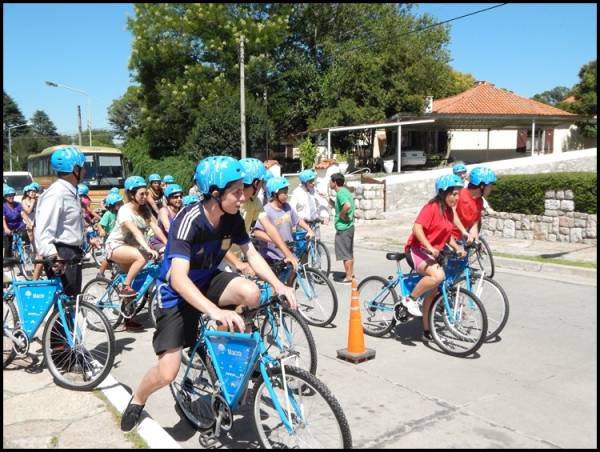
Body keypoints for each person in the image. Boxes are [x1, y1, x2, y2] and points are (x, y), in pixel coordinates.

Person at [120, 155, 296, 433]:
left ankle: (233, 358)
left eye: (243, 190)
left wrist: (279, 284)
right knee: (168, 372)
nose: (243, 197)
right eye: (236, 191)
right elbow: (178, 279)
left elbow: (251, 253)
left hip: (208, 280)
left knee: (251, 292)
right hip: (176, 294)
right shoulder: (188, 221)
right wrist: (214, 311)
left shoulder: (232, 218)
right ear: (215, 193)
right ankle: (138, 399)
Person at [403, 174, 467, 341]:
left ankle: (426, 330)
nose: (456, 197)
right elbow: (417, 228)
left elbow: (447, 235)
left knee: (433, 293)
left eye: (458, 193)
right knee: (438, 276)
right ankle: (410, 300)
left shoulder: (449, 212)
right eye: (453, 193)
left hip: (432, 253)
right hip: (416, 250)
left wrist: (457, 247)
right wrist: (430, 247)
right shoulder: (431, 208)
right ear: (443, 193)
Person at [221, 158, 299, 276]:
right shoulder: (230, 203)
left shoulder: (255, 202)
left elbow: (269, 228)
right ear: (256, 183)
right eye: (262, 183)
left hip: (237, 257)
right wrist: (238, 264)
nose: (263, 187)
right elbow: (220, 243)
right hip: (219, 259)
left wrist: (288, 254)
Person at [34, 146, 87, 296]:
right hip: (61, 253)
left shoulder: (71, 191)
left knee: (72, 301)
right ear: (75, 169)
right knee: (65, 305)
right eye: (82, 168)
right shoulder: (56, 194)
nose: (84, 171)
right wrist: (54, 256)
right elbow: (43, 229)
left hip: (72, 252)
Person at [105, 176, 165, 302]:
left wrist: (168, 243)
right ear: (132, 195)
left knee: (135, 284)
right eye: (141, 194)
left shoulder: (144, 210)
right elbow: (136, 232)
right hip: (115, 246)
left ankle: (128, 318)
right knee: (142, 257)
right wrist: (148, 249)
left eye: (146, 194)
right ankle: (125, 286)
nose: (145, 197)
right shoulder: (124, 210)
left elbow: (156, 228)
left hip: (131, 248)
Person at [252, 176, 311, 278]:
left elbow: (298, 220)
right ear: (274, 194)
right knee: (276, 286)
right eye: (283, 192)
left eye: (287, 191)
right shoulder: (266, 210)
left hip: (288, 252)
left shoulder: (287, 207)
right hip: (272, 256)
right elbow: (257, 232)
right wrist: (275, 241)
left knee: (291, 279)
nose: (286, 195)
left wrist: (309, 230)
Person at [451, 167, 497, 244]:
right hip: (448, 238)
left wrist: (476, 240)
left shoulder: (479, 201)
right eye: (490, 186)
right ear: (482, 186)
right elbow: (451, 214)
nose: (491, 189)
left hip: (462, 238)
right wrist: (463, 231)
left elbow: (474, 223)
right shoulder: (459, 195)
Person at [330, 173, 355, 284]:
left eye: (330, 181)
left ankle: (349, 277)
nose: (329, 183)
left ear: (335, 182)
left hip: (344, 228)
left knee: (345, 253)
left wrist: (341, 215)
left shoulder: (340, 194)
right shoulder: (345, 191)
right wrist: (328, 200)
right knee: (348, 252)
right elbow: (341, 205)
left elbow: (347, 205)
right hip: (349, 226)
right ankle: (349, 274)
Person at [290, 168, 330, 233]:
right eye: (311, 181)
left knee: (316, 242)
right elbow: (292, 209)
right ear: (304, 182)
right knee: (305, 242)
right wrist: (296, 222)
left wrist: (325, 216)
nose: (313, 183)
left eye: (313, 180)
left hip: (315, 224)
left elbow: (321, 202)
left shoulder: (314, 190)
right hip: (303, 226)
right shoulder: (297, 192)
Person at [96, 192, 124, 278]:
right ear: (112, 205)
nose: (121, 204)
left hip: (119, 239)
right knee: (108, 258)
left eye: (121, 202)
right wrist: (101, 230)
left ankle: (115, 274)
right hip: (109, 240)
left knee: (119, 257)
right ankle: (100, 273)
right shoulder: (108, 214)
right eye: (119, 203)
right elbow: (99, 225)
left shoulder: (121, 213)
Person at [149, 183, 183, 251]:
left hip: (175, 242)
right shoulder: (164, 211)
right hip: (160, 243)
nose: (179, 199)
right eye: (175, 197)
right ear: (168, 198)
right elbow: (168, 229)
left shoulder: (182, 210)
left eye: (180, 196)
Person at [3, 185, 28, 259]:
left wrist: (29, 223)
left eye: (12, 195)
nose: (11, 197)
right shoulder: (3, 206)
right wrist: (6, 229)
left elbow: (23, 214)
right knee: (8, 245)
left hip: (19, 226)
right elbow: (3, 219)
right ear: (5, 197)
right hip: (8, 227)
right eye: (9, 195)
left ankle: (27, 253)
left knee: (26, 238)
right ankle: (7, 261)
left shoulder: (18, 204)